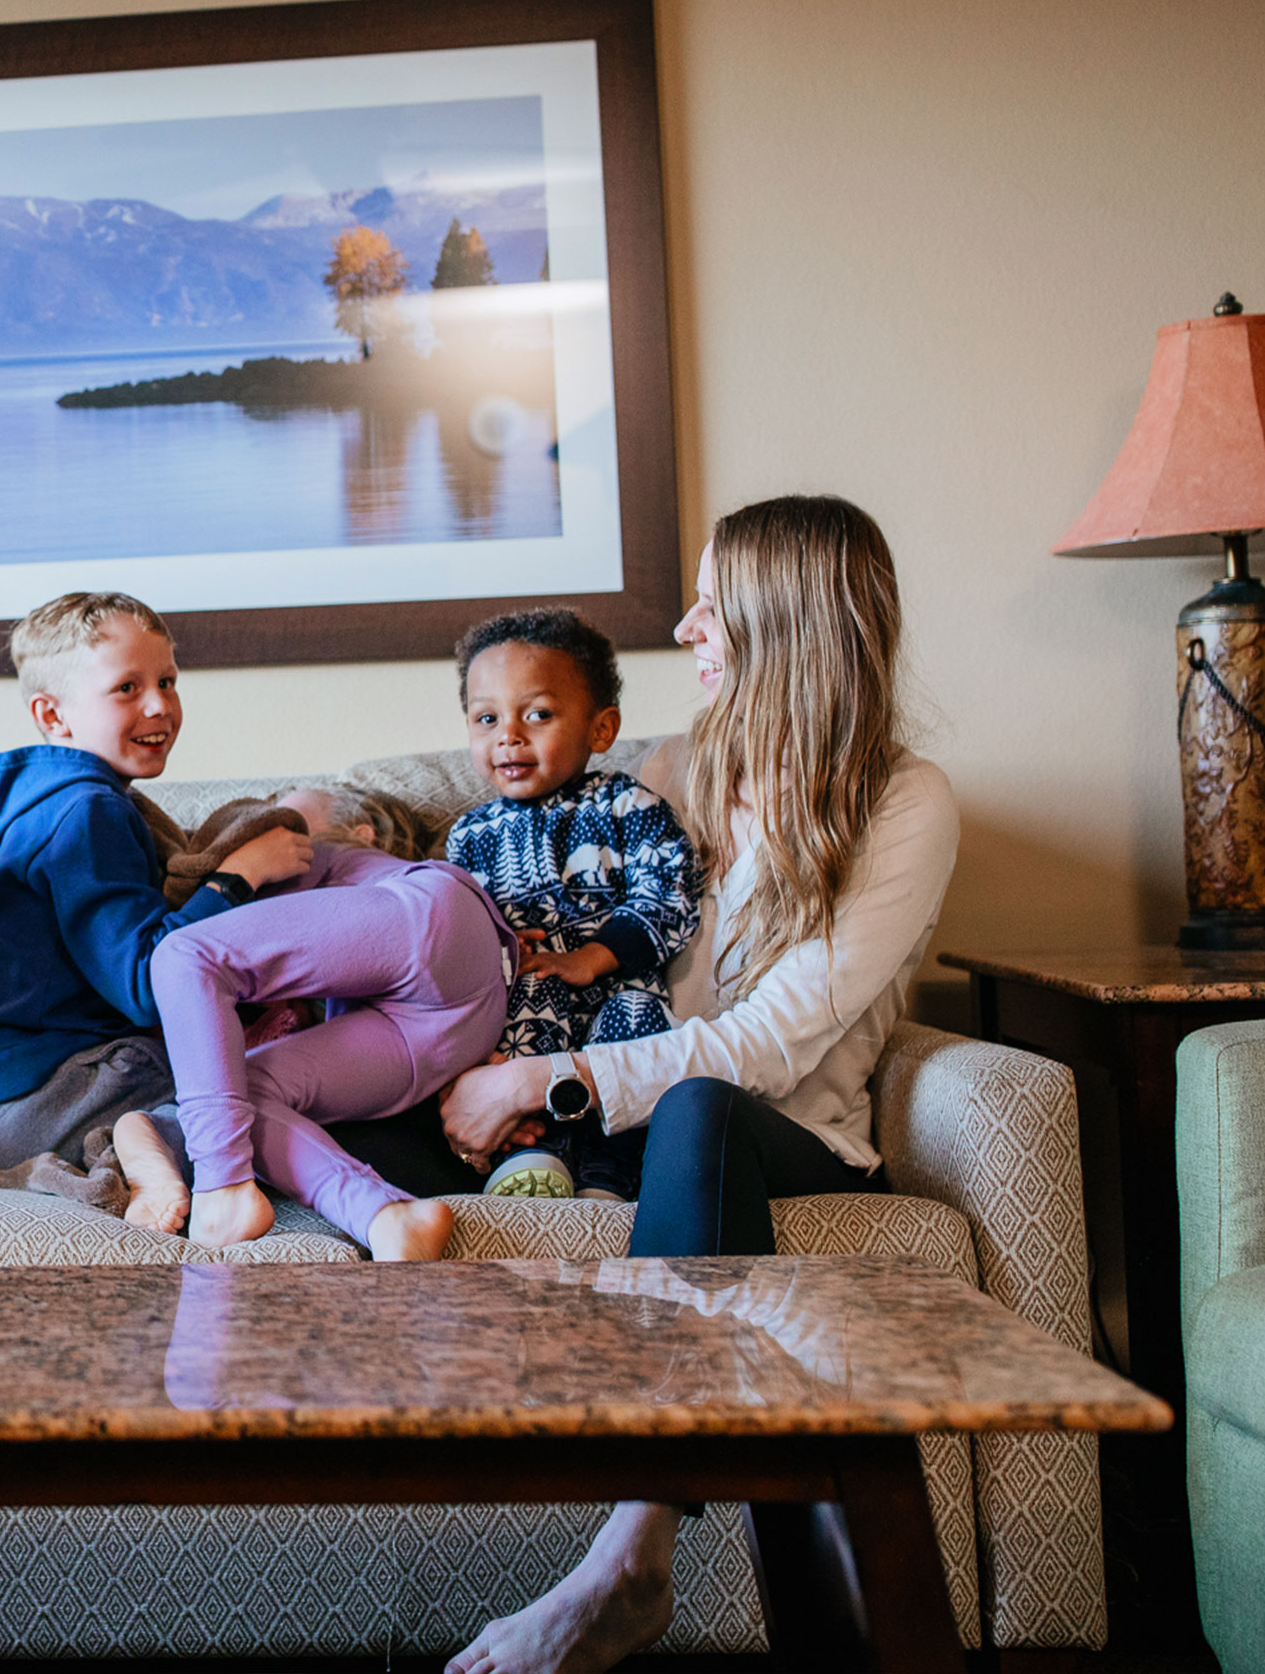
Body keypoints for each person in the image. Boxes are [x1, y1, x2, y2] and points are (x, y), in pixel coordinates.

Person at [420, 495, 959, 1674]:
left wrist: (545, 1081)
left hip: (781, 1129)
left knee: (704, 1107)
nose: (686, 621)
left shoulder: (905, 805)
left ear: (784, 620)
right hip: (627, 1119)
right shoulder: (675, 774)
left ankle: (631, 1553)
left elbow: (770, 1045)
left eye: (713, 602)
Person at [0, 592, 313, 1227]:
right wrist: (239, 874)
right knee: (280, 1101)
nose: (160, 704)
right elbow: (146, 982)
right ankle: (148, 1146)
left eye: (166, 680)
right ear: (53, 716)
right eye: (127, 688)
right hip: (58, 1093)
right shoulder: (87, 810)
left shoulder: (32, 797)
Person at [126, 794, 518, 1259]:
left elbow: (208, 957)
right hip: (453, 1031)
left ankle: (224, 1181)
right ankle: (387, 1217)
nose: (264, 814)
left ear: (361, 832)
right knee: (240, 1094)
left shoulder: (336, 859)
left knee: (182, 956)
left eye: (281, 806)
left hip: (431, 919)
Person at [442, 608, 701, 1200]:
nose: (509, 734)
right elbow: (449, 933)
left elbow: (671, 893)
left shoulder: (626, 806)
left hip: (613, 987)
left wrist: (596, 955)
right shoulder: (469, 835)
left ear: (600, 729)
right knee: (508, 1040)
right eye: (487, 718)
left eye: (538, 714)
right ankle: (533, 1159)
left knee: (638, 1026)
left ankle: (610, 1177)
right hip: (524, 991)